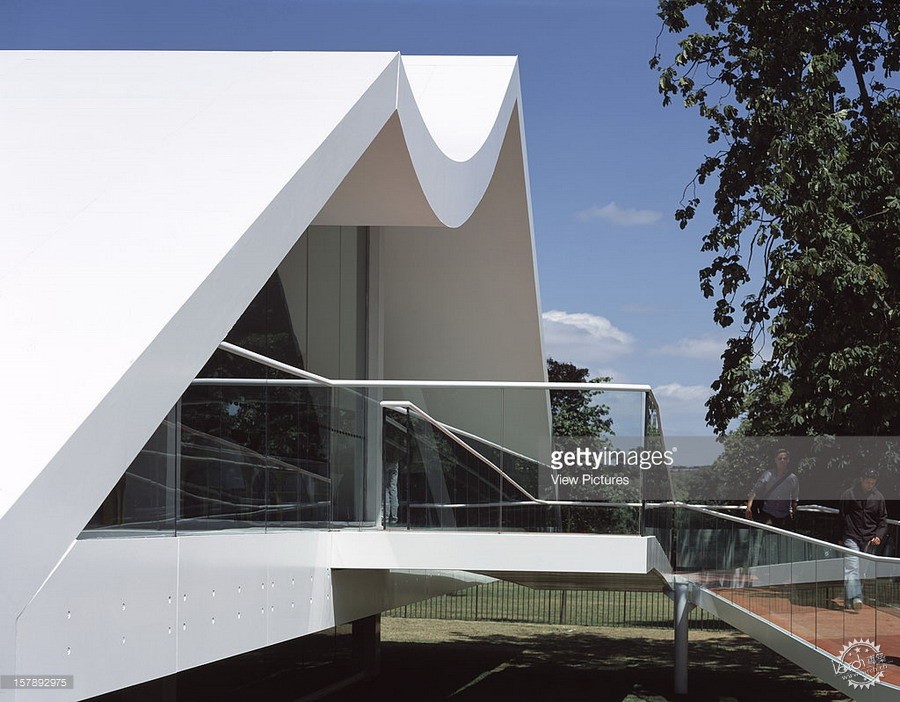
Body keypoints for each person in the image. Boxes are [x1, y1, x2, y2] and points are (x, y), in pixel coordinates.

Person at [840, 468, 888, 610]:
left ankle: (849, 597)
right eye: (867, 482)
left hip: (869, 538)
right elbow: (841, 516)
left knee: (862, 571)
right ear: (861, 479)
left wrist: (878, 536)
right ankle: (857, 597)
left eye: (872, 483)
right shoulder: (849, 494)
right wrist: (839, 536)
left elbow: (882, 521)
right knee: (852, 567)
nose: (869, 485)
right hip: (851, 536)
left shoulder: (879, 498)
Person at [744, 448, 799, 528]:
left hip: (785, 516)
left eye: (785, 458)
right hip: (768, 514)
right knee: (767, 537)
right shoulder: (768, 475)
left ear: (788, 460)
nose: (782, 460)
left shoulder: (793, 478)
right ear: (775, 460)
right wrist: (748, 508)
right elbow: (755, 491)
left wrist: (794, 512)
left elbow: (795, 498)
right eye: (780, 458)